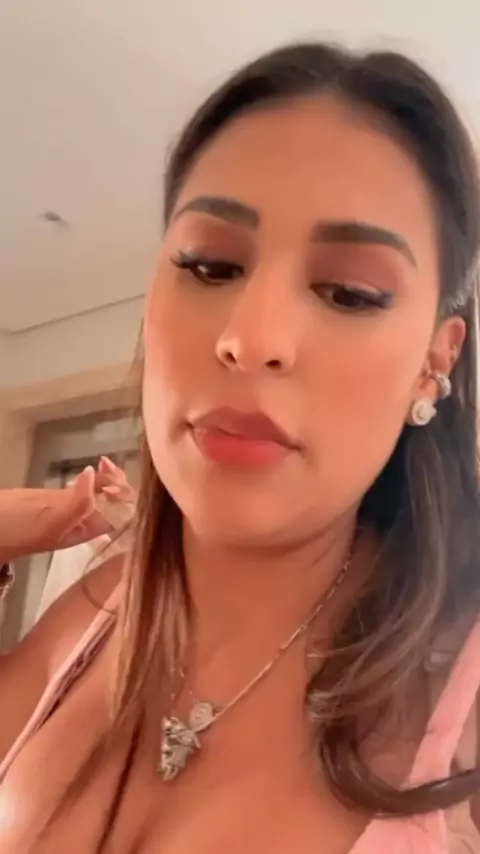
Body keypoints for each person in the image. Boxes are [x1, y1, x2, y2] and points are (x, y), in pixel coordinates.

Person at [0, 41, 479, 854]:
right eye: (210, 265)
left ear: (435, 360)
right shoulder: (93, 611)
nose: (250, 338)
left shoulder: (460, 695)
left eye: (349, 292)